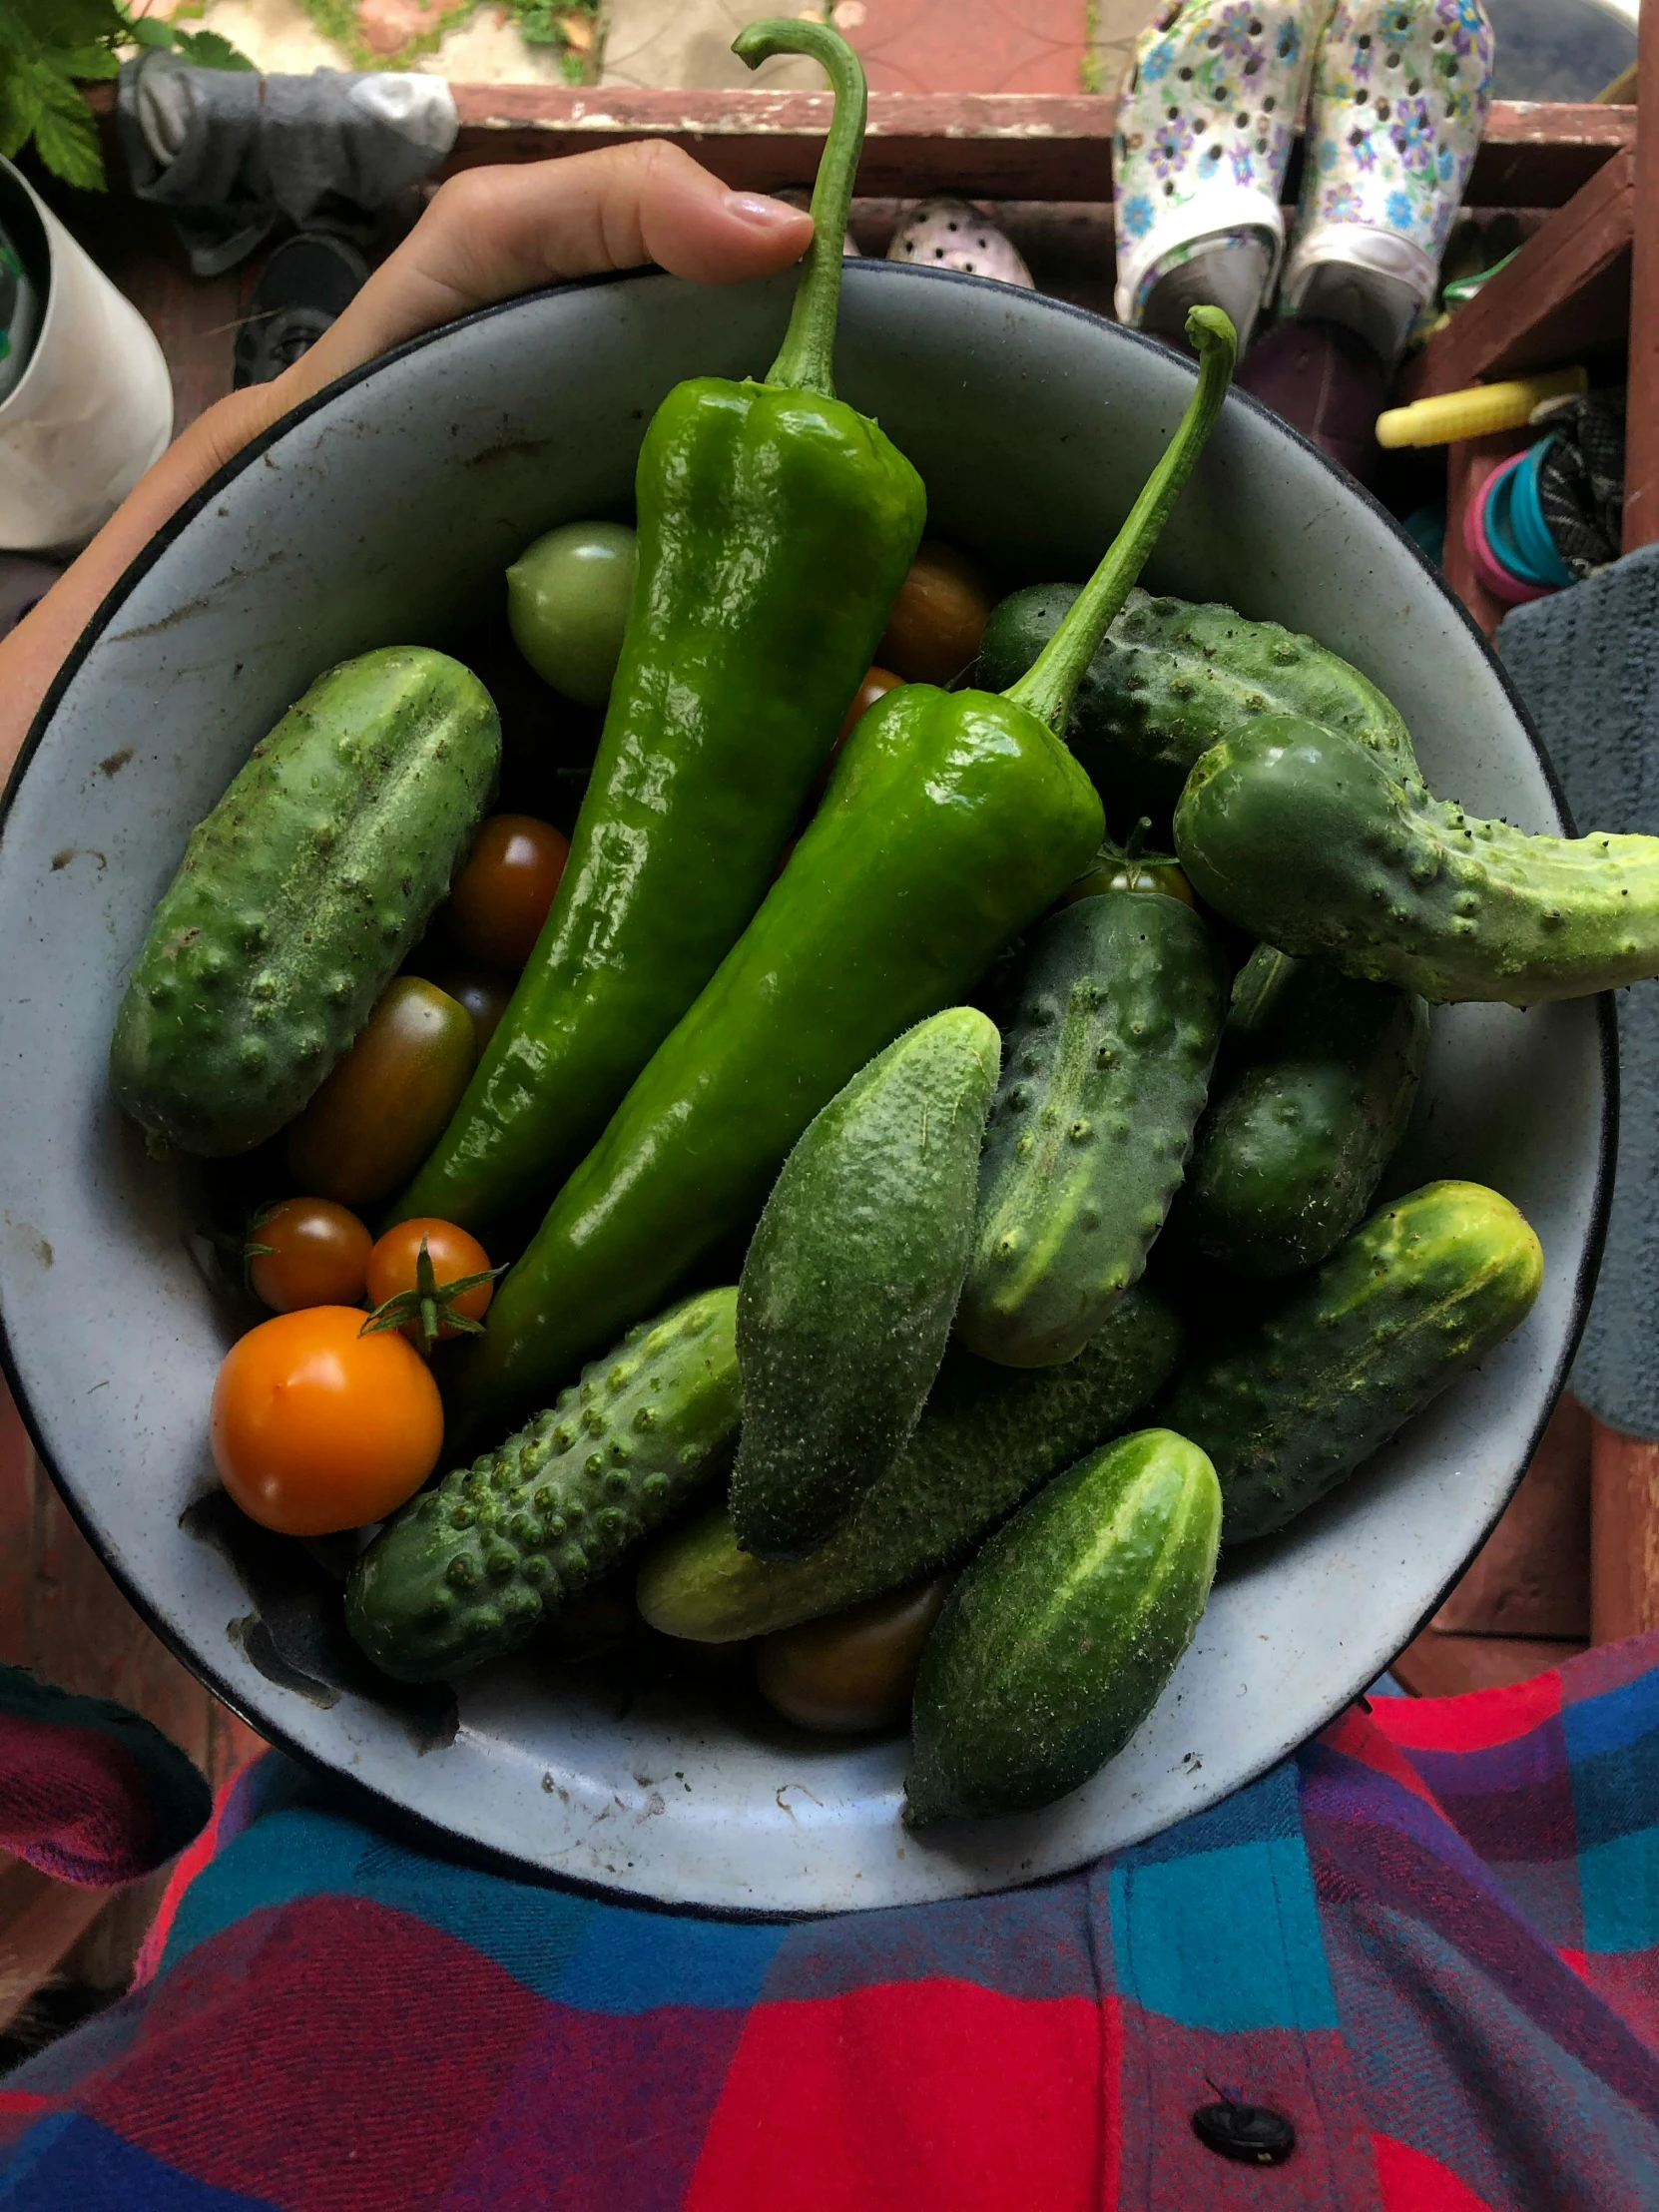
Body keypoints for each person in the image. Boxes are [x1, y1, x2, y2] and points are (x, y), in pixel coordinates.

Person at [2, 144, 1659, 2211]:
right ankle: (1319, 368)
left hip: (373, 2024)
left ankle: (1269, 360)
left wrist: (254, 439)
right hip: (1374, 1982)